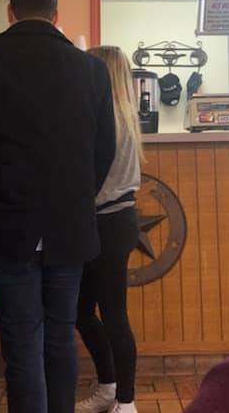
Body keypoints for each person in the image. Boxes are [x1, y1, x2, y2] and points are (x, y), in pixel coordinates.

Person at [0, 0, 116, 413]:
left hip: (4, 226)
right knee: (60, 337)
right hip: (70, 228)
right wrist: (78, 199)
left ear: (10, 12)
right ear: (56, 16)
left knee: (22, 344)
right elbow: (104, 151)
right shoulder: (92, 70)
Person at [75, 46, 142, 413]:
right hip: (115, 220)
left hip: (108, 221)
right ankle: (110, 388)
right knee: (83, 311)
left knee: (111, 315)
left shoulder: (104, 117)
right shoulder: (125, 114)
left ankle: (126, 401)